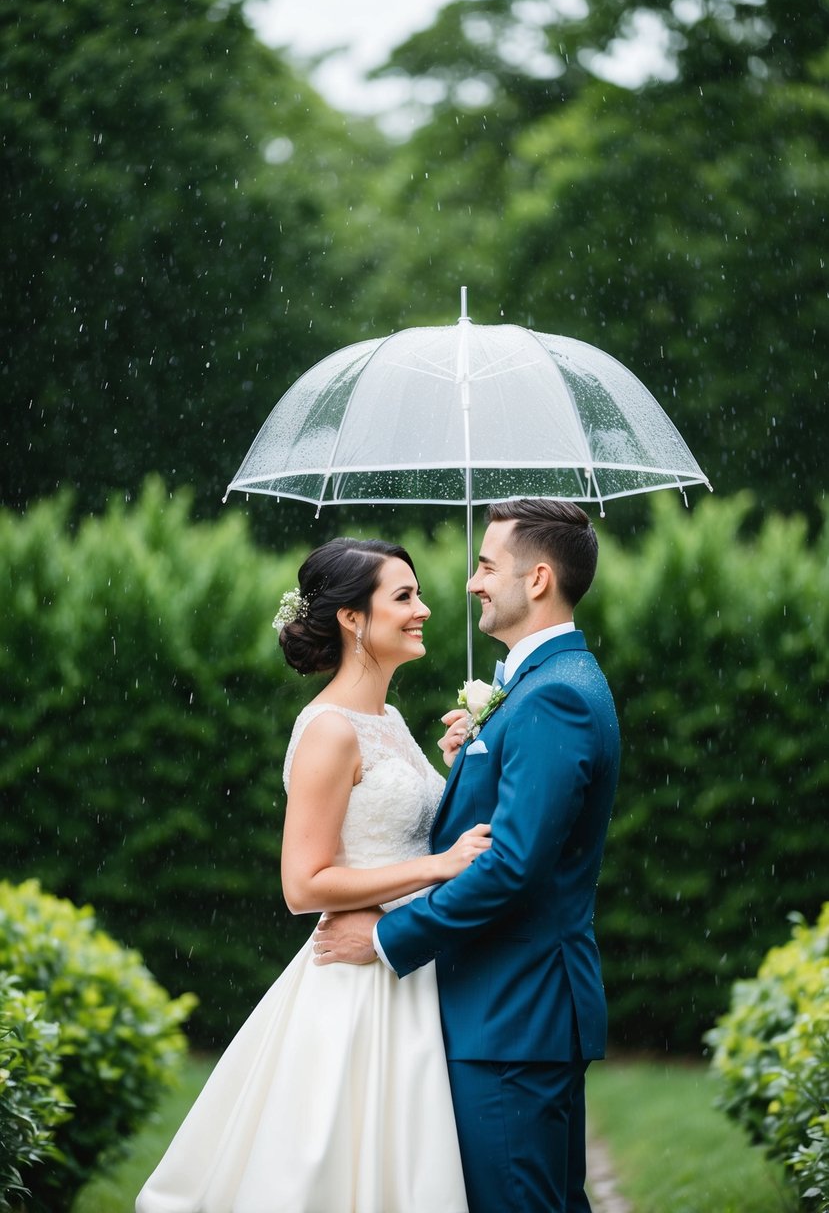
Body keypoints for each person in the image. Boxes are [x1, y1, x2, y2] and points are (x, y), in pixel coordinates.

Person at [135, 537, 491, 1213]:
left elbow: (390, 832)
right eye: (403, 596)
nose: (424, 609)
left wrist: (453, 768)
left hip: (406, 964)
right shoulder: (329, 728)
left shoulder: (385, 719)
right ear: (351, 619)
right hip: (355, 983)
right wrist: (439, 866)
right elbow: (303, 884)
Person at [314, 500, 621, 1213]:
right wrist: (472, 762)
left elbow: (511, 865)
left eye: (486, 565)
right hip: (514, 1009)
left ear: (537, 578)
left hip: (512, 1013)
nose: (471, 583)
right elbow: (508, 828)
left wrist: (387, 938)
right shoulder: (543, 687)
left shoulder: (552, 697)